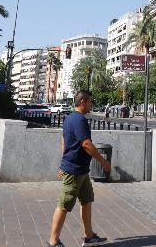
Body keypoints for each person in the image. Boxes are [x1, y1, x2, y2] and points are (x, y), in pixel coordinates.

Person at [47, 90, 112, 247]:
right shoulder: (79, 120)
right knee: (64, 204)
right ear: (83, 102)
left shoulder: (70, 118)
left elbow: (64, 141)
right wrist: (103, 162)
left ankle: (89, 236)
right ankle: (53, 242)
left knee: (87, 200)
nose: (92, 105)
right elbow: (86, 144)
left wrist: (64, 162)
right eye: (90, 102)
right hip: (74, 171)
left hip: (81, 170)